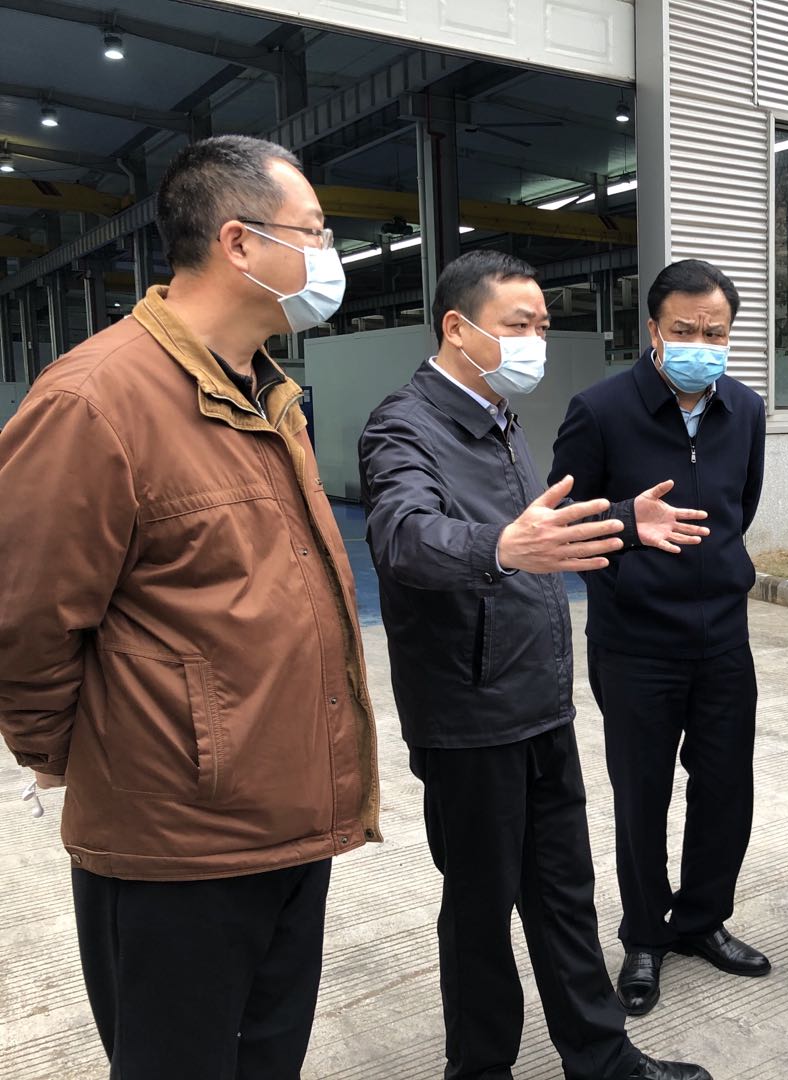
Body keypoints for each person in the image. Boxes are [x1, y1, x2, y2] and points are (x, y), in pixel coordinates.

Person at [0, 135, 378, 1078]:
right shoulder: (95, 401)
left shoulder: (266, 392)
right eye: (316, 233)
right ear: (240, 243)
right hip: (176, 849)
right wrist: (79, 758)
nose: (330, 256)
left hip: (287, 824)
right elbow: (24, 622)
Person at [358, 250, 712, 1080]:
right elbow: (405, 536)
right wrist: (498, 546)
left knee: (564, 895)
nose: (536, 342)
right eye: (518, 325)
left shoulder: (500, 417)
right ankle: (481, 1069)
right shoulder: (404, 425)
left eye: (543, 326)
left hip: (540, 703)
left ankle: (601, 1058)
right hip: (470, 718)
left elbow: (536, 533)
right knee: (481, 914)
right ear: (457, 327)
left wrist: (620, 519)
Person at [549, 259, 768, 1017]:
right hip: (635, 643)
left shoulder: (745, 410)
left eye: (716, 332)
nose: (702, 344)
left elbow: (740, 507)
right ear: (653, 329)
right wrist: (630, 549)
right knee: (642, 796)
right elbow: (567, 526)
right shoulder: (600, 410)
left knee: (725, 789)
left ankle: (702, 920)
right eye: (685, 330)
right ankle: (644, 935)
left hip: (724, 641)